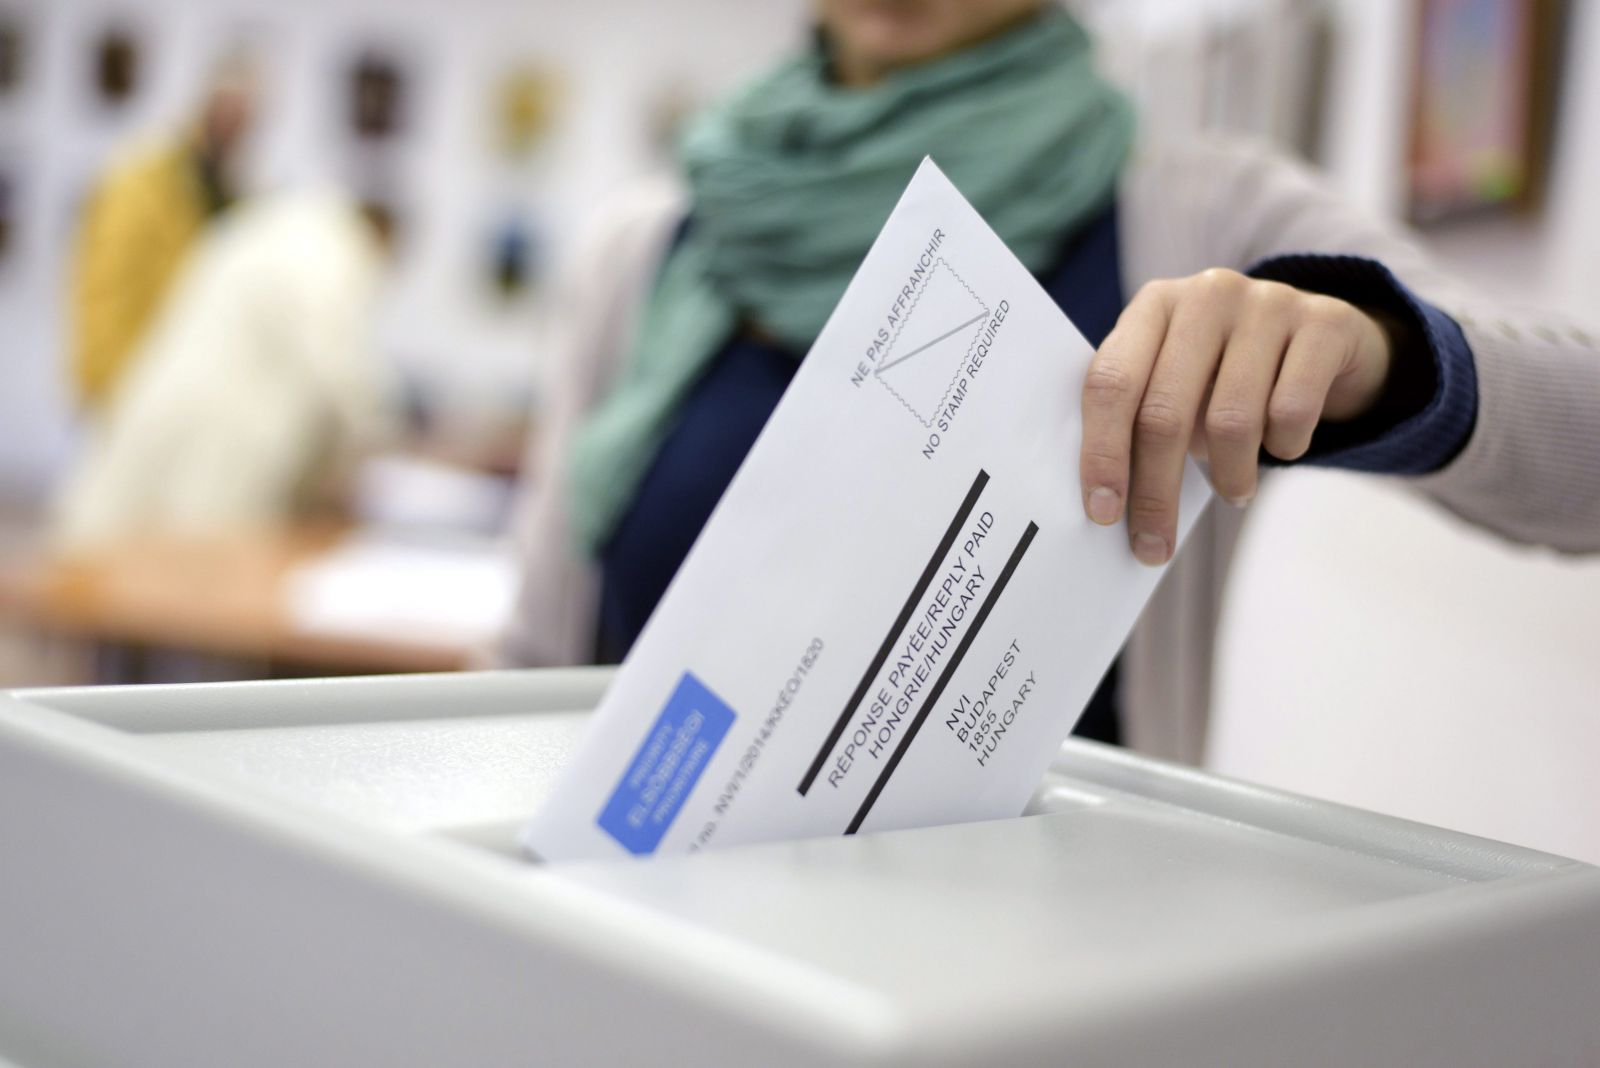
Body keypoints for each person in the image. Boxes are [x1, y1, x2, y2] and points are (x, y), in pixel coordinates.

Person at [494, 0, 1600, 763]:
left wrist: (1380, 353)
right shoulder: (649, 248)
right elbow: (530, 659)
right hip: (642, 942)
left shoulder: (1198, 217)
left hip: (1032, 981)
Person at [53, 190, 397, 550]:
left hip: (176, 396)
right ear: (383, 237)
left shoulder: (274, 229)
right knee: (193, 552)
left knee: (121, 535)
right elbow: (338, 370)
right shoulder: (330, 252)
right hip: (223, 430)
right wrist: (383, 429)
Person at [68, 54, 256, 410]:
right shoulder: (142, 181)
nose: (235, 124)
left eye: (245, 115)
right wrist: (106, 386)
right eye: (229, 107)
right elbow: (104, 288)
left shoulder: (230, 196)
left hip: (186, 389)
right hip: (129, 387)